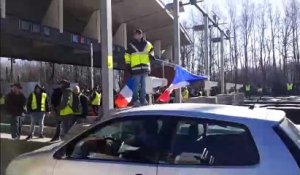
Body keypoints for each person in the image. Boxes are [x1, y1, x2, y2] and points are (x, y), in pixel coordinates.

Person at [125, 29, 154, 107]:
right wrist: (128, 64)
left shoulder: (148, 44)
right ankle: (135, 100)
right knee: (136, 85)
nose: (135, 36)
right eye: (134, 35)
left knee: (144, 85)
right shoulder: (131, 45)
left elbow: (151, 51)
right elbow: (127, 56)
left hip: (145, 68)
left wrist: (152, 56)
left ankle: (143, 99)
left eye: (137, 34)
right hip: (135, 68)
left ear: (141, 35)